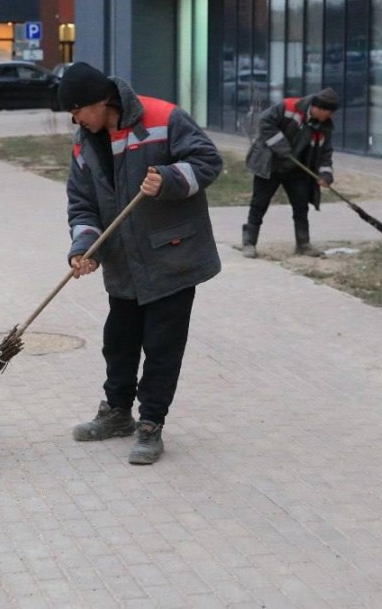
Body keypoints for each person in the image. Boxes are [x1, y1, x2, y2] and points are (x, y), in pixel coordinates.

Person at [60, 62, 222, 465]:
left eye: (76, 110)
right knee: (119, 341)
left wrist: (168, 179)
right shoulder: (85, 143)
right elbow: (82, 204)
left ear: (99, 103)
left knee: (162, 347)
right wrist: (85, 249)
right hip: (124, 265)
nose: (74, 120)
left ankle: (150, 424)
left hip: (172, 258)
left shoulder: (163, 117)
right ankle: (117, 413)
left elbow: (207, 161)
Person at [241, 87, 340, 258]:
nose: (330, 116)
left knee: (301, 206)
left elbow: (325, 154)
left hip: (297, 169)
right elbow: (264, 122)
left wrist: (326, 175)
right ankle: (249, 242)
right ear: (319, 108)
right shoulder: (289, 106)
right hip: (270, 164)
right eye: (329, 112)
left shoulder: (324, 127)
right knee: (259, 203)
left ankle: (303, 243)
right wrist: (282, 148)